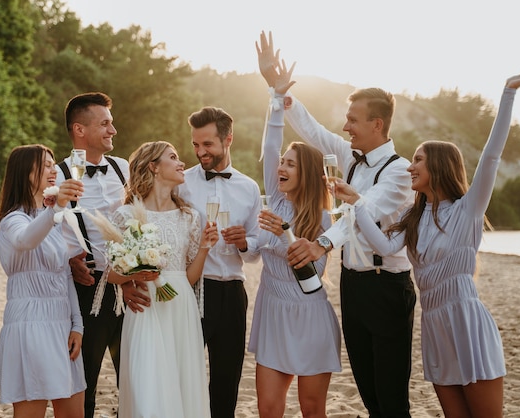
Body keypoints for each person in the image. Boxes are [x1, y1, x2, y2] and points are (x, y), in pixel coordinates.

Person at [331, 71, 520, 418]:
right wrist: (357, 203)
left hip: (466, 321)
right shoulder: (414, 219)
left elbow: (492, 157)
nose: (409, 167)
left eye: (418, 160)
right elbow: (384, 245)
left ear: (439, 166)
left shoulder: (467, 210)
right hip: (434, 326)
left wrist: (508, 92)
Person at [257, 31, 417, 417]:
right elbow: (312, 131)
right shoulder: (350, 156)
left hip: (386, 288)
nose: (346, 127)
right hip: (353, 285)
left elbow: (360, 214)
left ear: (377, 124)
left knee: (391, 396)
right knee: (368, 392)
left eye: (353, 120)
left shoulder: (398, 173)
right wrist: (280, 95)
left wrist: (323, 244)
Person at [123, 106, 262, 418]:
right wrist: (129, 282)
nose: (200, 152)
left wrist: (244, 242)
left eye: (208, 144)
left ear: (228, 140)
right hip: (190, 292)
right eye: (196, 145)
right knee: (181, 378)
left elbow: (254, 254)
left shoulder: (249, 188)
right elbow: (149, 224)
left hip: (232, 292)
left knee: (227, 381)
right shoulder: (182, 182)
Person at [248, 60, 342, 418]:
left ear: (308, 175)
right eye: (282, 163)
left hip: (309, 316)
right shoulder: (275, 197)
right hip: (273, 313)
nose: (280, 168)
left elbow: (310, 275)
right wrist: (276, 96)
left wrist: (284, 234)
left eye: (290, 164)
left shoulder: (321, 217)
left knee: (311, 409)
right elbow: (270, 146)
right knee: (269, 409)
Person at [102, 141, 217, 417]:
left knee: (182, 384)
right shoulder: (126, 214)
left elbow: (188, 277)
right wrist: (134, 275)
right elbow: (110, 274)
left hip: (181, 307)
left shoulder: (188, 216)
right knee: (146, 388)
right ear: (153, 166)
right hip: (145, 308)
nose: (181, 164)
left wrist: (204, 247)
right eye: (173, 157)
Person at [0, 144, 86, 417]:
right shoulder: (13, 220)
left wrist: (77, 325)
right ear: (25, 172)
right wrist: (54, 210)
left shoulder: (56, 220)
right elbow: (26, 239)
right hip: (29, 323)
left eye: (53, 163)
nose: (53, 169)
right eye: (45, 164)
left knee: (73, 412)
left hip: (61, 323)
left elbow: (65, 273)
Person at [56, 92, 129, 418]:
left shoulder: (123, 168)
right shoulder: (57, 175)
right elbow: (48, 229)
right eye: (105, 124)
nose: (113, 130)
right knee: (83, 382)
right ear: (79, 130)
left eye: (111, 123)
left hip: (131, 287)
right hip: (87, 290)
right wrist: (69, 259)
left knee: (133, 379)